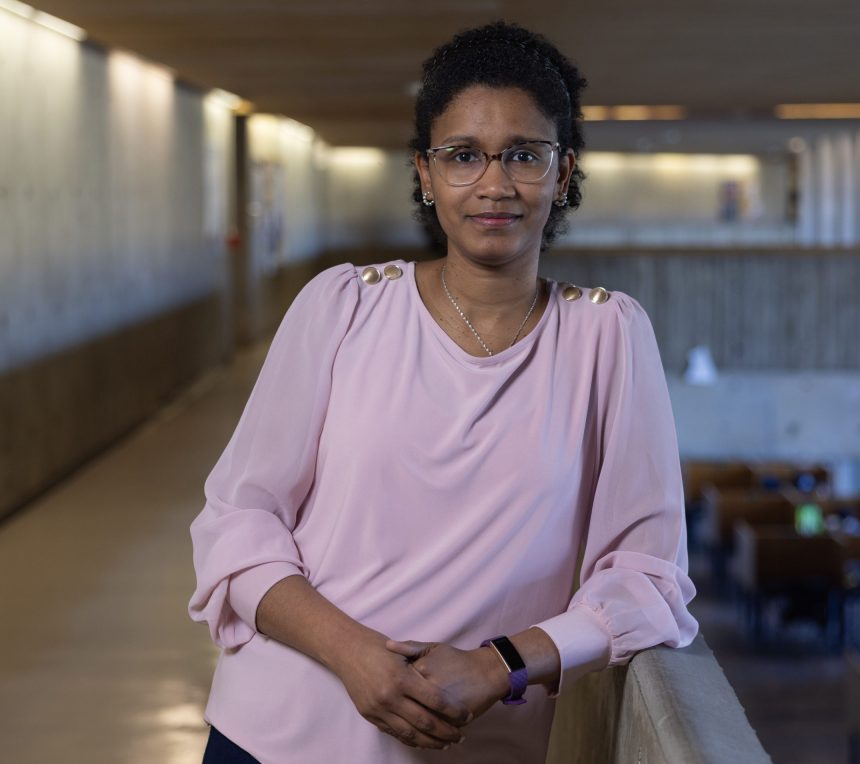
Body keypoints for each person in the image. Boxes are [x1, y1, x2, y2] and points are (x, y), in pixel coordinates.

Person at [188, 21, 698, 764]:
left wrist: (501, 664)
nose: (495, 184)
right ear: (426, 174)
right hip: (279, 733)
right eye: (464, 156)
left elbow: (648, 577)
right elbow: (239, 518)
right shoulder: (345, 307)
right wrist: (355, 657)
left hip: (469, 744)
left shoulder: (607, 337)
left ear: (562, 174)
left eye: (524, 154)